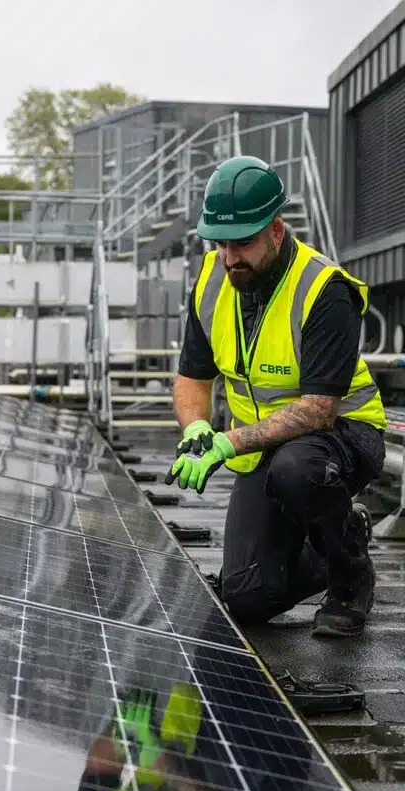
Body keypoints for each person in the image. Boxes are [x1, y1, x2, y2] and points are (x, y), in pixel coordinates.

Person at [165, 154, 386, 638]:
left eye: (241, 243)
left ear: (276, 231)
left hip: (342, 438)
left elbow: (318, 410)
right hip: (262, 450)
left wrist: (227, 443)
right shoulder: (210, 281)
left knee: (298, 470)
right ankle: (328, 549)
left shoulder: (324, 289)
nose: (229, 257)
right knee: (245, 599)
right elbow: (191, 378)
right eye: (220, 243)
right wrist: (198, 428)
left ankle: (350, 578)